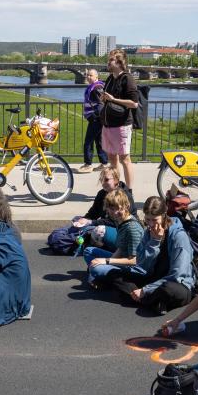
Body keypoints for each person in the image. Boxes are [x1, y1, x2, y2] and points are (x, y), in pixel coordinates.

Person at [94, 196, 198, 314]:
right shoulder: (148, 232)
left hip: (177, 283)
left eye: (155, 220)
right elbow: (142, 265)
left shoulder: (179, 237)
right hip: (153, 278)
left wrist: (145, 290)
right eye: (148, 220)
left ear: (164, 215)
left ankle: (148, 299)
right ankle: (154, 302)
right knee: (113, 275)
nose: (151, 224)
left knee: (168, 290)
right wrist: (154, 243)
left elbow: (177, 275)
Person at [82, 188, 149, 287]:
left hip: (134, 269)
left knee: (96, 268)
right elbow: (121, 248)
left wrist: (106, 261)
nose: (115, 212)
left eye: (119, 208)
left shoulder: (132, 229)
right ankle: (103, 276)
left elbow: (134, 261)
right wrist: (107, 262)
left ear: (127, 206)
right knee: (88, 251)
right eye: (112, 209)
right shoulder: (120, 221)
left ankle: (105, 278)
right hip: (122, 258)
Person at [99, 48, 141, 190]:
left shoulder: (127, 78)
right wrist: (104, 98)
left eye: (111, 60)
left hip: (121, 125)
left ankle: (128, 191)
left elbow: (134, 103)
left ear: (119, 62)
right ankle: (115, 188)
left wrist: (113, 99)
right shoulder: (110, 78)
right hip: (108, 124)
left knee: (125, 159)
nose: (108, 62)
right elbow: (108, 99)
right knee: (112, 158)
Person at [78, 68, 108, 172]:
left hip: (96, 119)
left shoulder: (96, 88)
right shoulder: (96, 87)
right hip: (97, 119)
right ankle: (104, 163)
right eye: (87, 75)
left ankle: (88, 164)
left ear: (96, 77)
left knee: (88, 142)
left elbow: (100, 104)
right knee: (99, 141)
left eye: (91, 75)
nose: (88, 77)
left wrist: (95, 116)